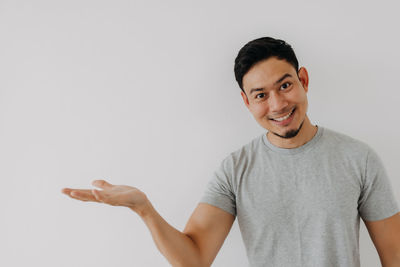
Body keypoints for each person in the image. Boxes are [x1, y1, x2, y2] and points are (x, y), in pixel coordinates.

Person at [61, 37, 400, 267]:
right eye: (260, 94)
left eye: (285, 85)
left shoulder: (359, 159)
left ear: (303, 80)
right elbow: (194, 258)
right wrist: (144, 209)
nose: (278, 104)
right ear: (246, 101)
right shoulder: (235, 169)